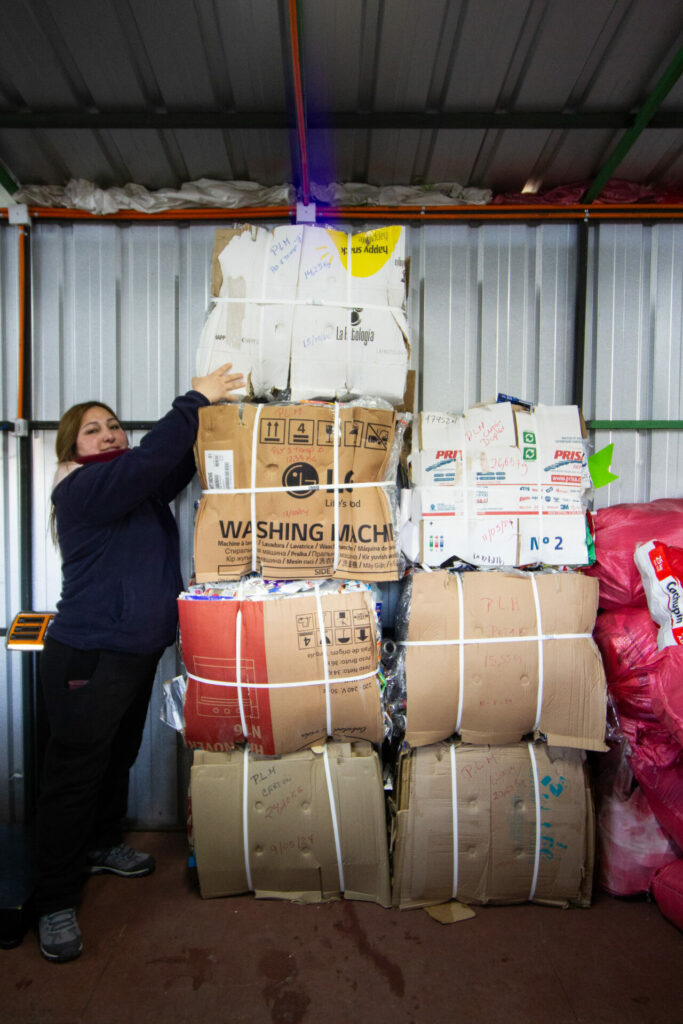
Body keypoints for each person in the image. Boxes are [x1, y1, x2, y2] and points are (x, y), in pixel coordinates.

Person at [35, 364, 244, 963]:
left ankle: (101, 844)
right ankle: (54, 901)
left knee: (116, 756)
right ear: (72, 448)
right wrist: (195, 398)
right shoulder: (80, 488)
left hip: (132, 653)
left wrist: (220, 417)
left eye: (115, 427)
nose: (108, 435)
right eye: (92, 430)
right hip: (90, 655)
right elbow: (153, 462)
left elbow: (174, 463)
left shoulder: (135, 488)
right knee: (74, 774)